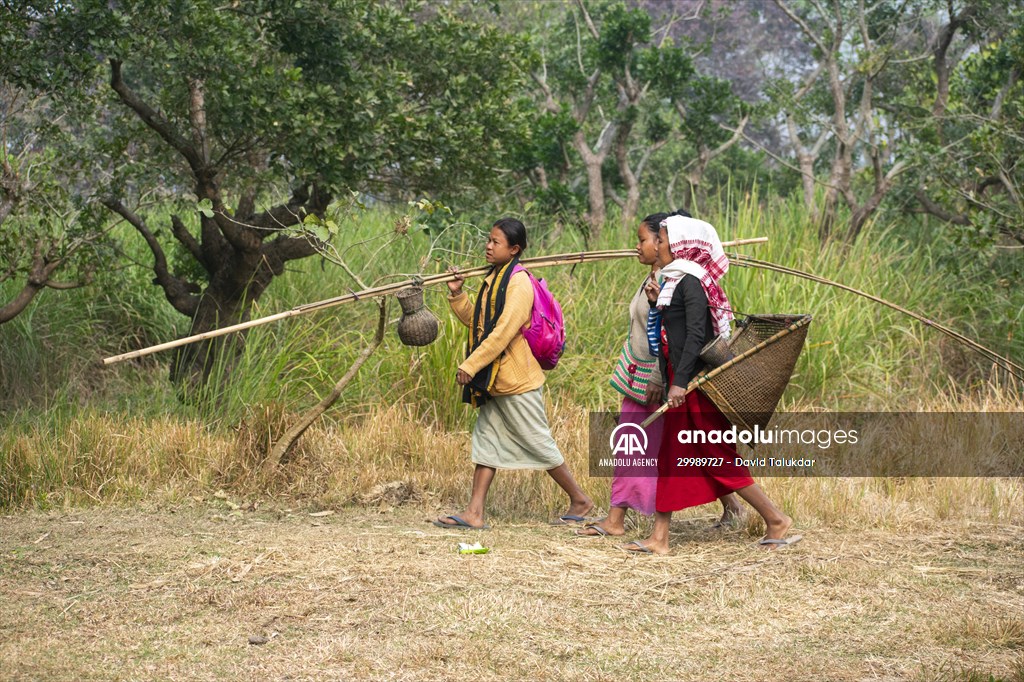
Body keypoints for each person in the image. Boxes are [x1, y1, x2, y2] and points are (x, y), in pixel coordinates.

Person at [621, 214, 801, 554]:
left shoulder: (690, 280)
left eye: (661, 240)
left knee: (717, 456)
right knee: (673, 456)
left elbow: (694, 336)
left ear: (680, 245)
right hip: (683, 380)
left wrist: (679, 383)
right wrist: (657, 299)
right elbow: (671, 329)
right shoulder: (673, 282)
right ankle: (659, 538)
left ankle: (776, 519)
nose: (656, 245)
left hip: (696, 387)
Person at [577, 211, 743, 538]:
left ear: (664, 242)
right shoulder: (659, 279)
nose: (638, 247)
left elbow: (678, 335)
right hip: (645, 374)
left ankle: (629, 522)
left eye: (646, 240)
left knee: (661, 447)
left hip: (661, 379)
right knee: (659, 448)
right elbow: (656, 324)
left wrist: (661, 377)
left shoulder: (680, 280)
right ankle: (636, 521)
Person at [434, 218, 593, 530]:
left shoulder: (518, 283)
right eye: (489, 240)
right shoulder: (495, 277)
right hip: (495, 380)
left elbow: (504, 331)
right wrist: (457, 295)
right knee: (487, 441)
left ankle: (581, 500)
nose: (488, 246)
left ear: (515, 249)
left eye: (496, 242)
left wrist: (470, 365)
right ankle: (474, 513)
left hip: (516, 380)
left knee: (538, 442)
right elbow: (479, 323)